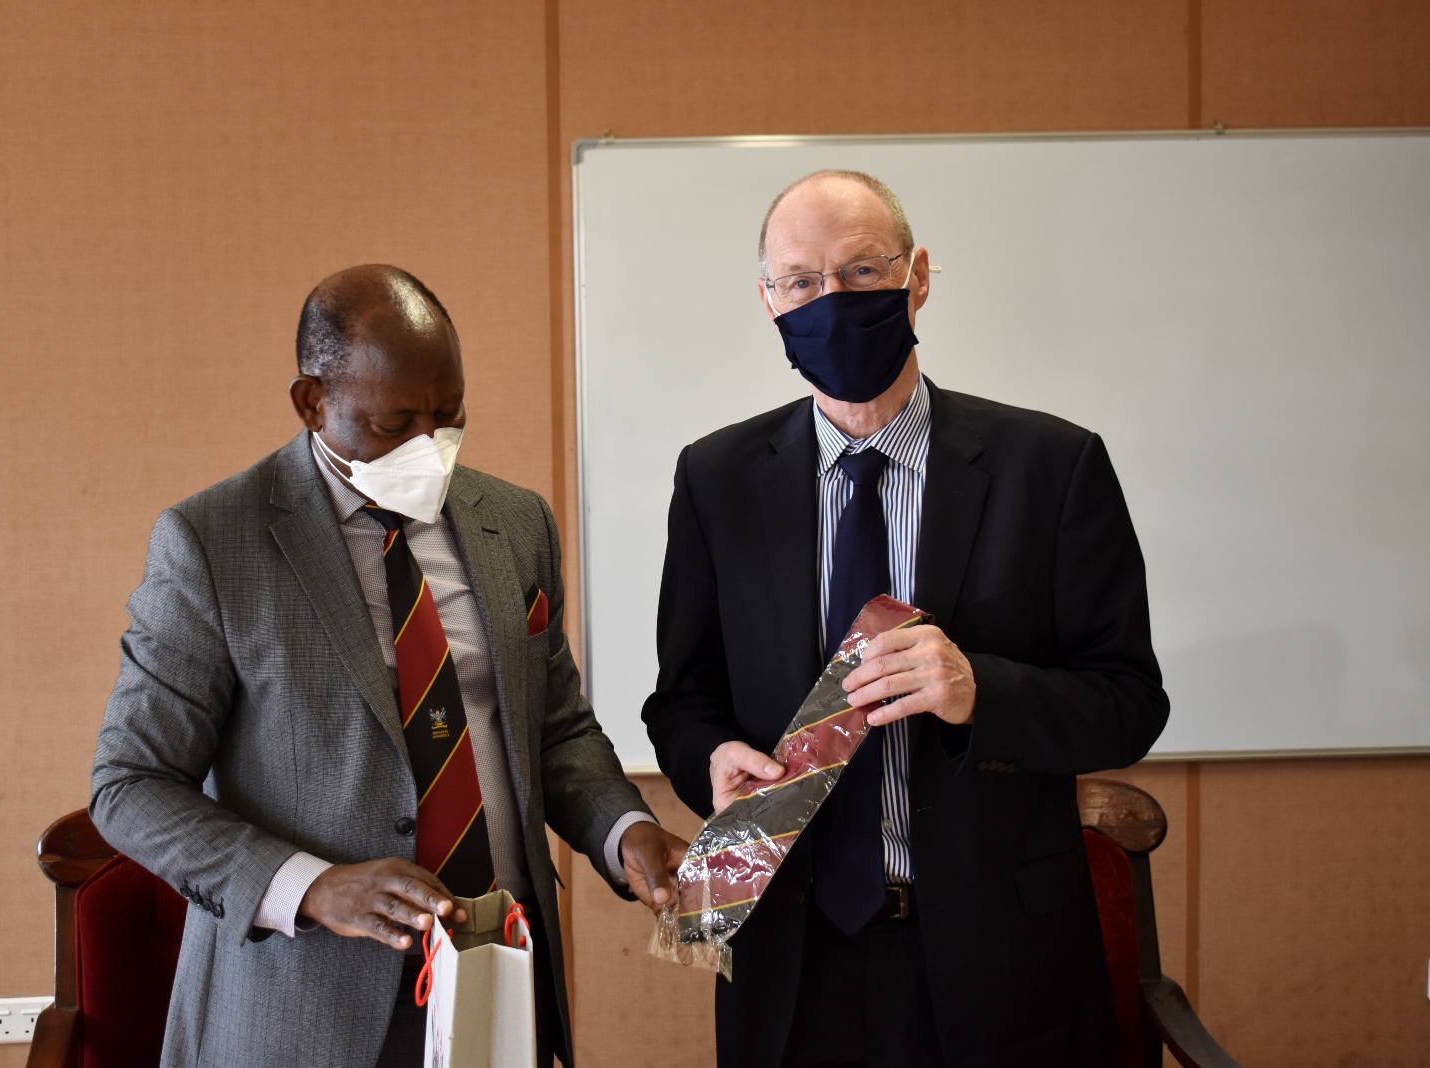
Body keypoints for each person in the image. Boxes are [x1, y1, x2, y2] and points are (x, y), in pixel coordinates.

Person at [91, 264, 688, 1068]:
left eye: (448, 417)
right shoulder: (212, 543)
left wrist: (625, 830)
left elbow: (553, 728)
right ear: (312, 402)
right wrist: (312, 885)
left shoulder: (513, 522)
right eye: (394, 422)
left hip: (499, 988)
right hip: (303, 1012)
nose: (427, 446)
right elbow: (130, 787)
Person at [642, 171, 1169, 1067]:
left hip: (998, 961)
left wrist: (979, 691)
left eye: (860, 272)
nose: (830, 301)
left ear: (917, 276)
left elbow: (1128, 703)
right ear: (768, 300)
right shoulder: (717, 479)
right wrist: (709, 760)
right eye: (801, 282)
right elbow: (682, 702)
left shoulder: (1053, 466)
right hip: (789, 959)